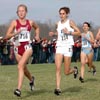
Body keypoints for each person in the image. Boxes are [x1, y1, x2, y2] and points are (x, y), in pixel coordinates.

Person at [5, 4, 40, 97]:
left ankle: (18, 89)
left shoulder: (30, 22)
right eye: (19, 11)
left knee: (20, 66)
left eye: (23, 10)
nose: (21, 12)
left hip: (27, 47)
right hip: (17, 47)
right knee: (23, 69)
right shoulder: (14, 23)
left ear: (26, 12)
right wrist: (16, 33)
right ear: (17, 13)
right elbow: (7, 35)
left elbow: (37, 28)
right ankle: (31, 79)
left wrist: (37, 35)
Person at [49, 7, 81, 95]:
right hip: (59, 46)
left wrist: (69, 32)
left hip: (68, 47)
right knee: (58, 68)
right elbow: (59, 34)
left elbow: (79, 32)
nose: (61, 15)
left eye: (63, 13)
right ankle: (58, 88)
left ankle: (74, 70)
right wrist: (53, 34)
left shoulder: (70, 22)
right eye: (60, 13)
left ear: (67, 14)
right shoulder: (58, 23)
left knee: (66, 72)